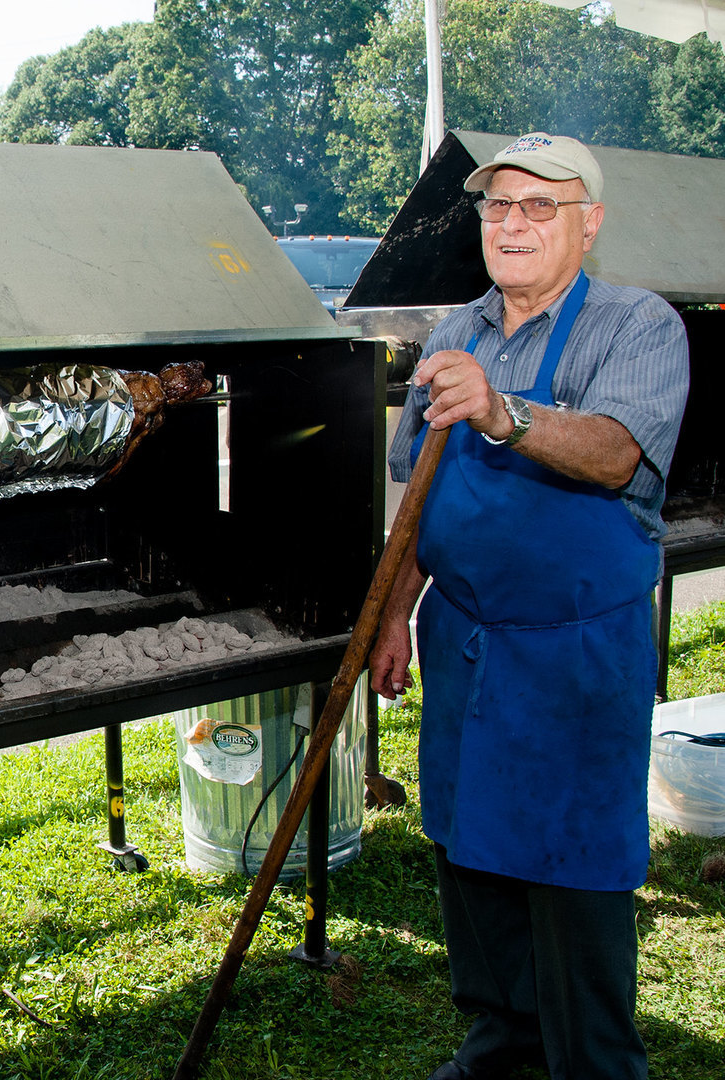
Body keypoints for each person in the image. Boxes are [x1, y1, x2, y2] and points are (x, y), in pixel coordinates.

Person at [369, 133, 690, 1080]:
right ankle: (500, 1045)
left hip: (576, 653)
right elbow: (413, 503)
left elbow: (614, 453)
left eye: (538, 206)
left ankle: (592, 1062)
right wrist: (393, 615)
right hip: (464, 640)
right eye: (496, 207)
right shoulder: (451, 334)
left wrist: (504, 411)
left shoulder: (636, 326)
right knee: (468, 847)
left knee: (573, 868)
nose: (512, 224)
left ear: (586, 224)